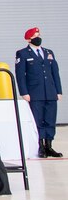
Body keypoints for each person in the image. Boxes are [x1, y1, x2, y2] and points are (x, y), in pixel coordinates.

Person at [15, 26, 62, 158]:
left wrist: (58, 91)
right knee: (38, 120)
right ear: (28, 39)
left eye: (39, 35)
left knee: (50, 119)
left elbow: (55, 73)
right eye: (35, 36)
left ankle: (49, 146)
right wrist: (24, 92)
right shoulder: (23, 53)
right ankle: (40, 146)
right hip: (35, 93)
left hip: (50, 92)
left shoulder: (48, 52)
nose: (38, 38)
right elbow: (20, 75)